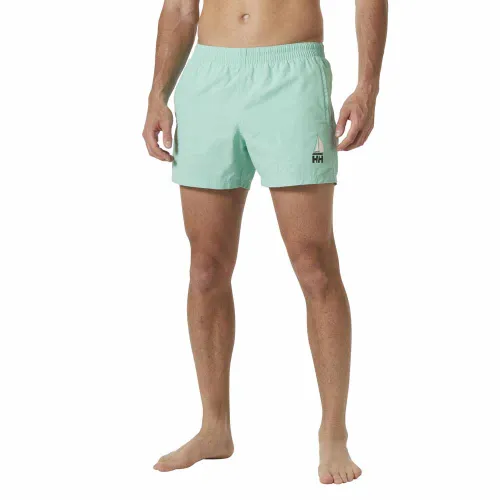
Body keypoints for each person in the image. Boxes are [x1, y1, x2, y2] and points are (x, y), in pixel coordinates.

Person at [143, 0, 387, 485]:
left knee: (314, 262)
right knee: (205, 267)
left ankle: (333, 432)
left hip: (291, 75)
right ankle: (214, 427)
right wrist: (157, 93)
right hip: (210, 76)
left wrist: (367, 87)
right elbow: (180, 9)